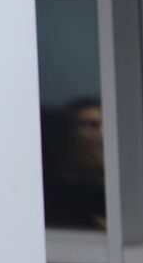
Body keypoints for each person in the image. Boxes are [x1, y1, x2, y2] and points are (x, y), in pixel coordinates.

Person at [42, 96, 106, 230]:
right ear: (68, 132)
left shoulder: (117, 179)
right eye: (92, 125)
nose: (101, 133)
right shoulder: (62, 189)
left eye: (105, 125)